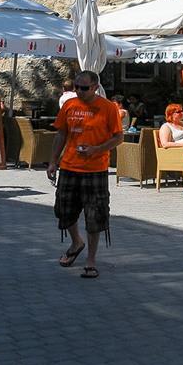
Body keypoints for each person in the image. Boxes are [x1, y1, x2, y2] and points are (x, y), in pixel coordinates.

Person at [47, 70, 123, 278]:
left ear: (95, 87)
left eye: (84, 88)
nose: (79, 91)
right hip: (69, 166)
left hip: (95, 169)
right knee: (63, 210)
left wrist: (97, 149)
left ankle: (91, 260)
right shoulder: (70, 106)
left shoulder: (108, 108)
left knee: (94, 216)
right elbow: (61, 133)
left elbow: (118, 137)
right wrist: (53, 161)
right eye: (76, 87)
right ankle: (76, 242)